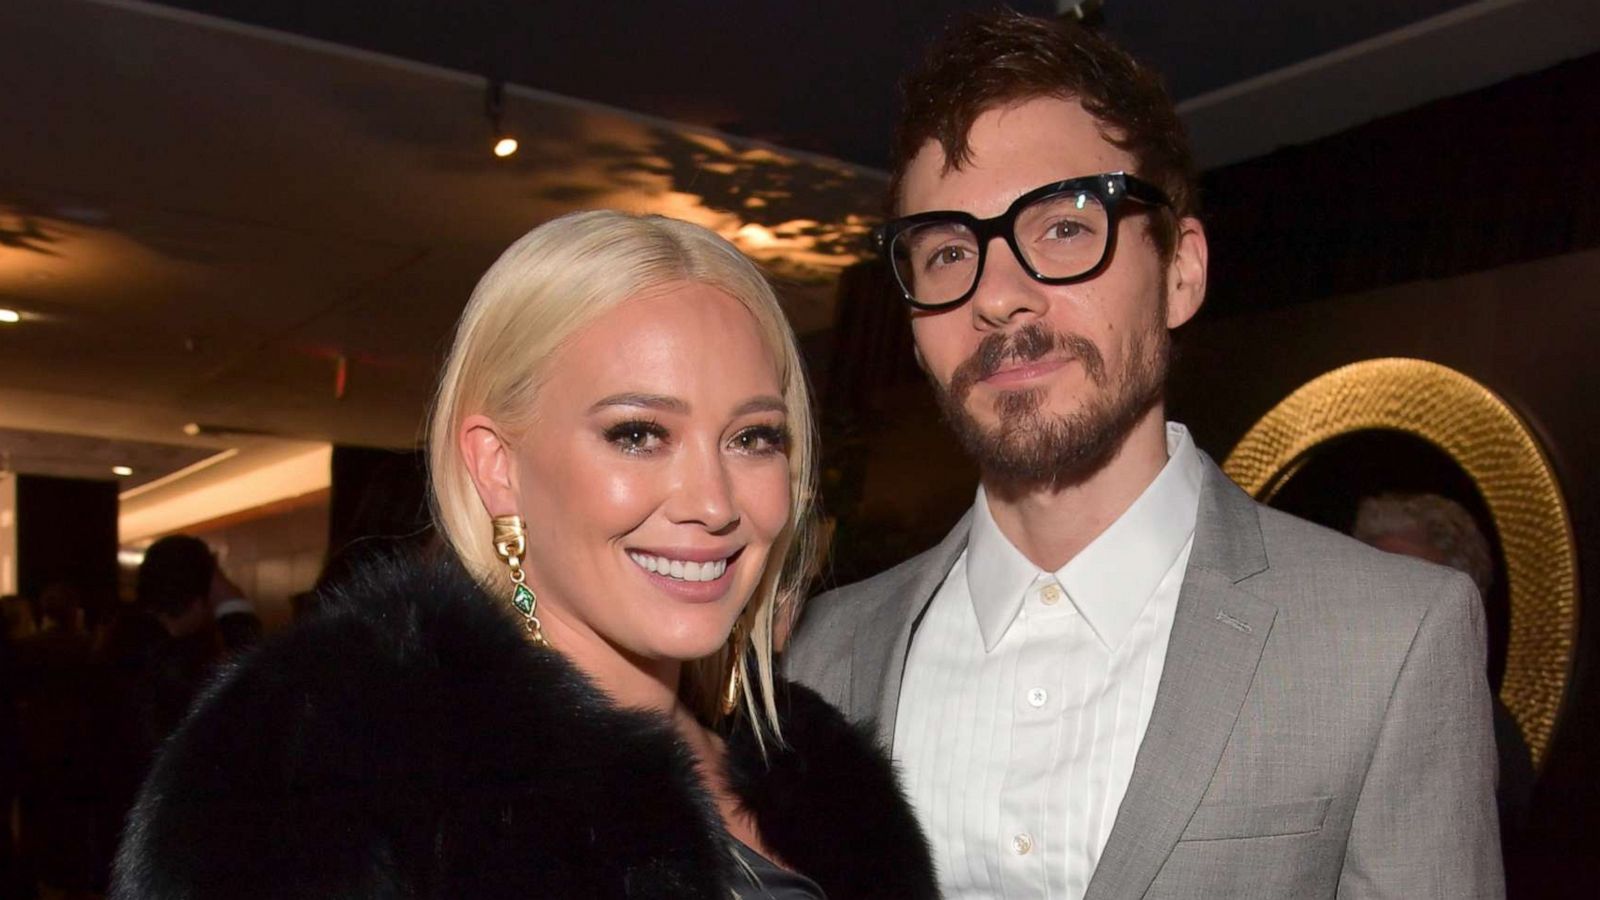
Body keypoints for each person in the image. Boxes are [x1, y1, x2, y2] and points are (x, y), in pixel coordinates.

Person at [784, 10, 1501, 899]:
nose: (1001, 296)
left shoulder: (1391, 638)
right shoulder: (815, 656)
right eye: (945, 251)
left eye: (1065, 228)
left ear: (1181, 270)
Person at [111, 211, 936, 899]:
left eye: (754, 437)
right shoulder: (328, 773)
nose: (714, 504)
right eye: (639, 434)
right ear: (497, 465)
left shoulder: (825, 787)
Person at [1352, 493, 1535, 833]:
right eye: (1373, 585)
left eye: (1409, 590)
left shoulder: (1482, 735)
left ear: (1466, 603)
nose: (1385, 608)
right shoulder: (1339, 707)